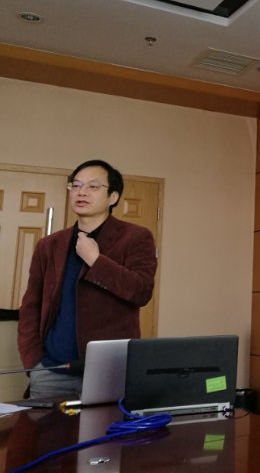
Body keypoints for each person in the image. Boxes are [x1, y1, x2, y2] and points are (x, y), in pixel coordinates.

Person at [17, 159, 157, 399]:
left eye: (93, 186)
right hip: (51, 371)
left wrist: (96, 260)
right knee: (43, 426)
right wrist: (34, 362)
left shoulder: (136, 237)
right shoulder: (49, 245)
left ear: (113, 197)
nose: (81, 192)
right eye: (76, 185)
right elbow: (31, 305)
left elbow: (140, 292)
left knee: (107, 425)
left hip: (110, 370)